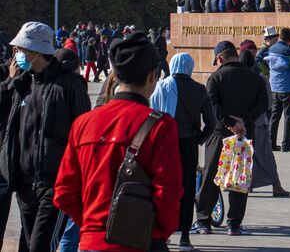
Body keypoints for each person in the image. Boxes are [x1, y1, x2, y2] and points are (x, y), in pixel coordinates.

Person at [53, 32, 181, 252]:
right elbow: (168, 192)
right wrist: (157, 231)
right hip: (140, 241)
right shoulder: (161, 126)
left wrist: (90, 225)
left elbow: (64, 192)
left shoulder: (83, 123)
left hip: (91, 241)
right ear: (152, 76)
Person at [0, 21, 91, 252]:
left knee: (41, 246)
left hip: (55, 185)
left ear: (37, 52)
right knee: (29, 245)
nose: (17, 55)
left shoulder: (69, 84)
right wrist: (10, 83)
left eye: (21, 50)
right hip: (24, 184)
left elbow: (83, 132)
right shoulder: (24, 82)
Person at [194, 40, 268, 236]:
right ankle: (234, 224)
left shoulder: (216, 77)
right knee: (239, 179)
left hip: (219, 134)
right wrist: (243, 121)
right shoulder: (254, 78)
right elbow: (263, 103)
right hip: (244, 134)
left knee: (211, 177)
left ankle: (203, 221)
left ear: (220, 58)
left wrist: (229, 121)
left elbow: (213, 105)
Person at [151, 52, 215, 251]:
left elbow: (151, 112)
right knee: (187, 189)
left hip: (164, 144)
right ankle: (185, 238)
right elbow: (211, 123)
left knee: (161, 187)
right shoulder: (199, 89)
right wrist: (199, 139)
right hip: (188, 145)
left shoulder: (162, 86)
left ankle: (162, 233)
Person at [259, 27, 290, 152]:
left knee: (274, 116)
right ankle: (286, 144)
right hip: (288, 88)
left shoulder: (271, 49)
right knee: (288, 116)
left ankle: (271, 143)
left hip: (274, 87)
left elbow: (263, 63)